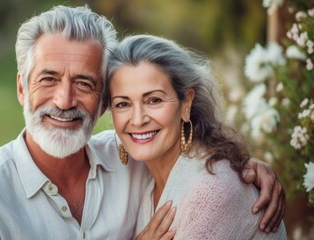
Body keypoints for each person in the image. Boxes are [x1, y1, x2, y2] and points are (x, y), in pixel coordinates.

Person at [0, 5, 284, 239]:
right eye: (48, 79)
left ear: (101, 102)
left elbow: (204, 180)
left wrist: (244, 170)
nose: (65, 100)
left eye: (84, 83)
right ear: (22, 88)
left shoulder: (132, 160)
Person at [106, 34, 287, 239]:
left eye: (154, 100)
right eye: (123, 104)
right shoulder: (149, 177)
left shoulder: (209, 192)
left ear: (186, 103)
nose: (138, 120)